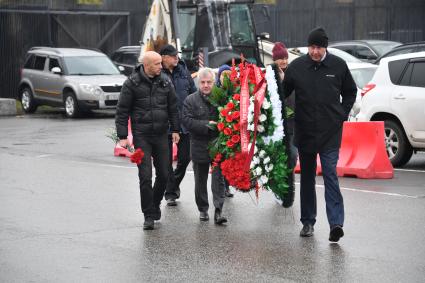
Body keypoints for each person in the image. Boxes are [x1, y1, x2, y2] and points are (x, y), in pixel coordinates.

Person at [282, 27, 357, 242]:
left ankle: (336, 224)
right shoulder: (296, 67)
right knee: (307, 177)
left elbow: (351, 91)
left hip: (330, 132)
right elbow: (282, 93)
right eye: (312, 47)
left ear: (326, 47)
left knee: (330, 174)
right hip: (304, 131)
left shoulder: (338, 66)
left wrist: (342, 114)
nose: (315, 52)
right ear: (308, 47)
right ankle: (308, 222)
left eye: (319, 47)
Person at [115, 51, 180, 230]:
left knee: (165, 174)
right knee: (145, 176)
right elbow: (122, 112)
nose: (161, 66)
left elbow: (173, 107)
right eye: (157, 64)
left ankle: (155, 203)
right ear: (147, 65)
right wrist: (122, 136)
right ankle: (148, 215)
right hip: (142, 136)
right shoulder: (132, 83)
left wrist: (175, 129)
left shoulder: (165, 81)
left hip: (161, 135)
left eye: (161, 63)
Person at [182, 67, 227, 225]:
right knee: (200, 180)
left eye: (209, 82)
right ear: (198, 83)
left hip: (218, 145)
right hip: (199, 145)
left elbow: (229, 117)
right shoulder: (190, 100)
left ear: (214, 82)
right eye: (203, 82)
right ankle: (203, 209)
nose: (206, 85)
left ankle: (218, 210)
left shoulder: (221, 99)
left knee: (218, 179)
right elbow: (187, 121)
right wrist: (206, 125)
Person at [160, 44, 197, 207]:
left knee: (185, 158)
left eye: (177, 55)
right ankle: (170, 193)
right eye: (173, 55)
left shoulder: (183, 71)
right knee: (165, 161)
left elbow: (193, 93)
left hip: (184, 123)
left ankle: (173, 186)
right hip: (164, 124)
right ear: (163, 57)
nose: (176, 58)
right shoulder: (157, 73)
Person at [270, 42, 297, 207]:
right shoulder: (270, 75)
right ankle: (278, 188)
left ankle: (288, 188)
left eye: (285, 58)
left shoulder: (293, 73)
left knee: (292, 156)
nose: (284, 61)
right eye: (280, 58)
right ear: (275, 60)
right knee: (278, 159)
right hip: (276, 126)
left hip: (293, 125)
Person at [216, 64, 234, 198]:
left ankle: (227, 187)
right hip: (217, 132)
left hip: (231, 132)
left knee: (229, 160)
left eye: (229, 74)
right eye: (224, 75)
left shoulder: (235, 92)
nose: (226, 77)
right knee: (219, 161)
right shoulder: (215, 91)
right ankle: (219, 188)